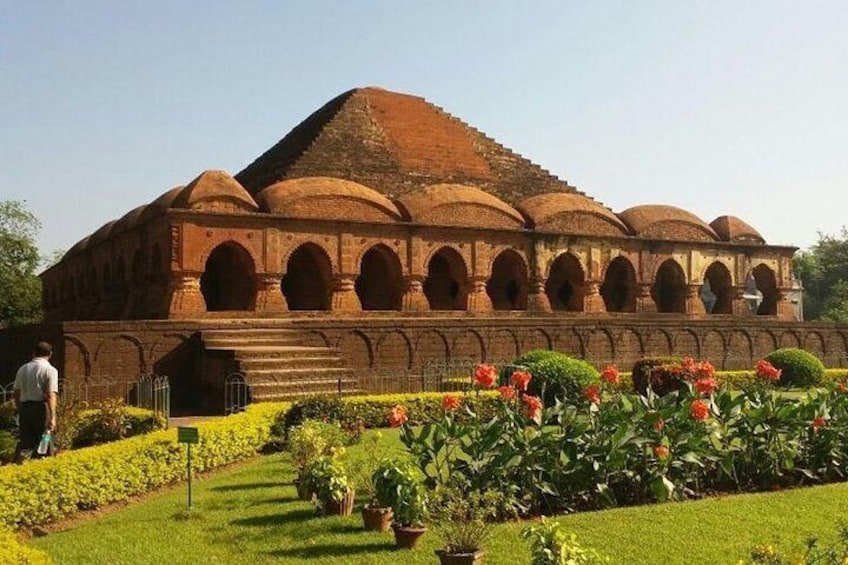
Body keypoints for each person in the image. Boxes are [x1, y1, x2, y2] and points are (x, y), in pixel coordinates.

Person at [13, 341, 59, 461]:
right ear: (50, 354)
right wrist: (53, 416)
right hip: (41, 409)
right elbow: (50, 394)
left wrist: (19, 409)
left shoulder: (23, 369)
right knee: (45, 440)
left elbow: (16, 392)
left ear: (34, 353)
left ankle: (20, 467)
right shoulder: (50, 370)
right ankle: (45, 466)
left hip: (25, 408)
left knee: (26, 443)